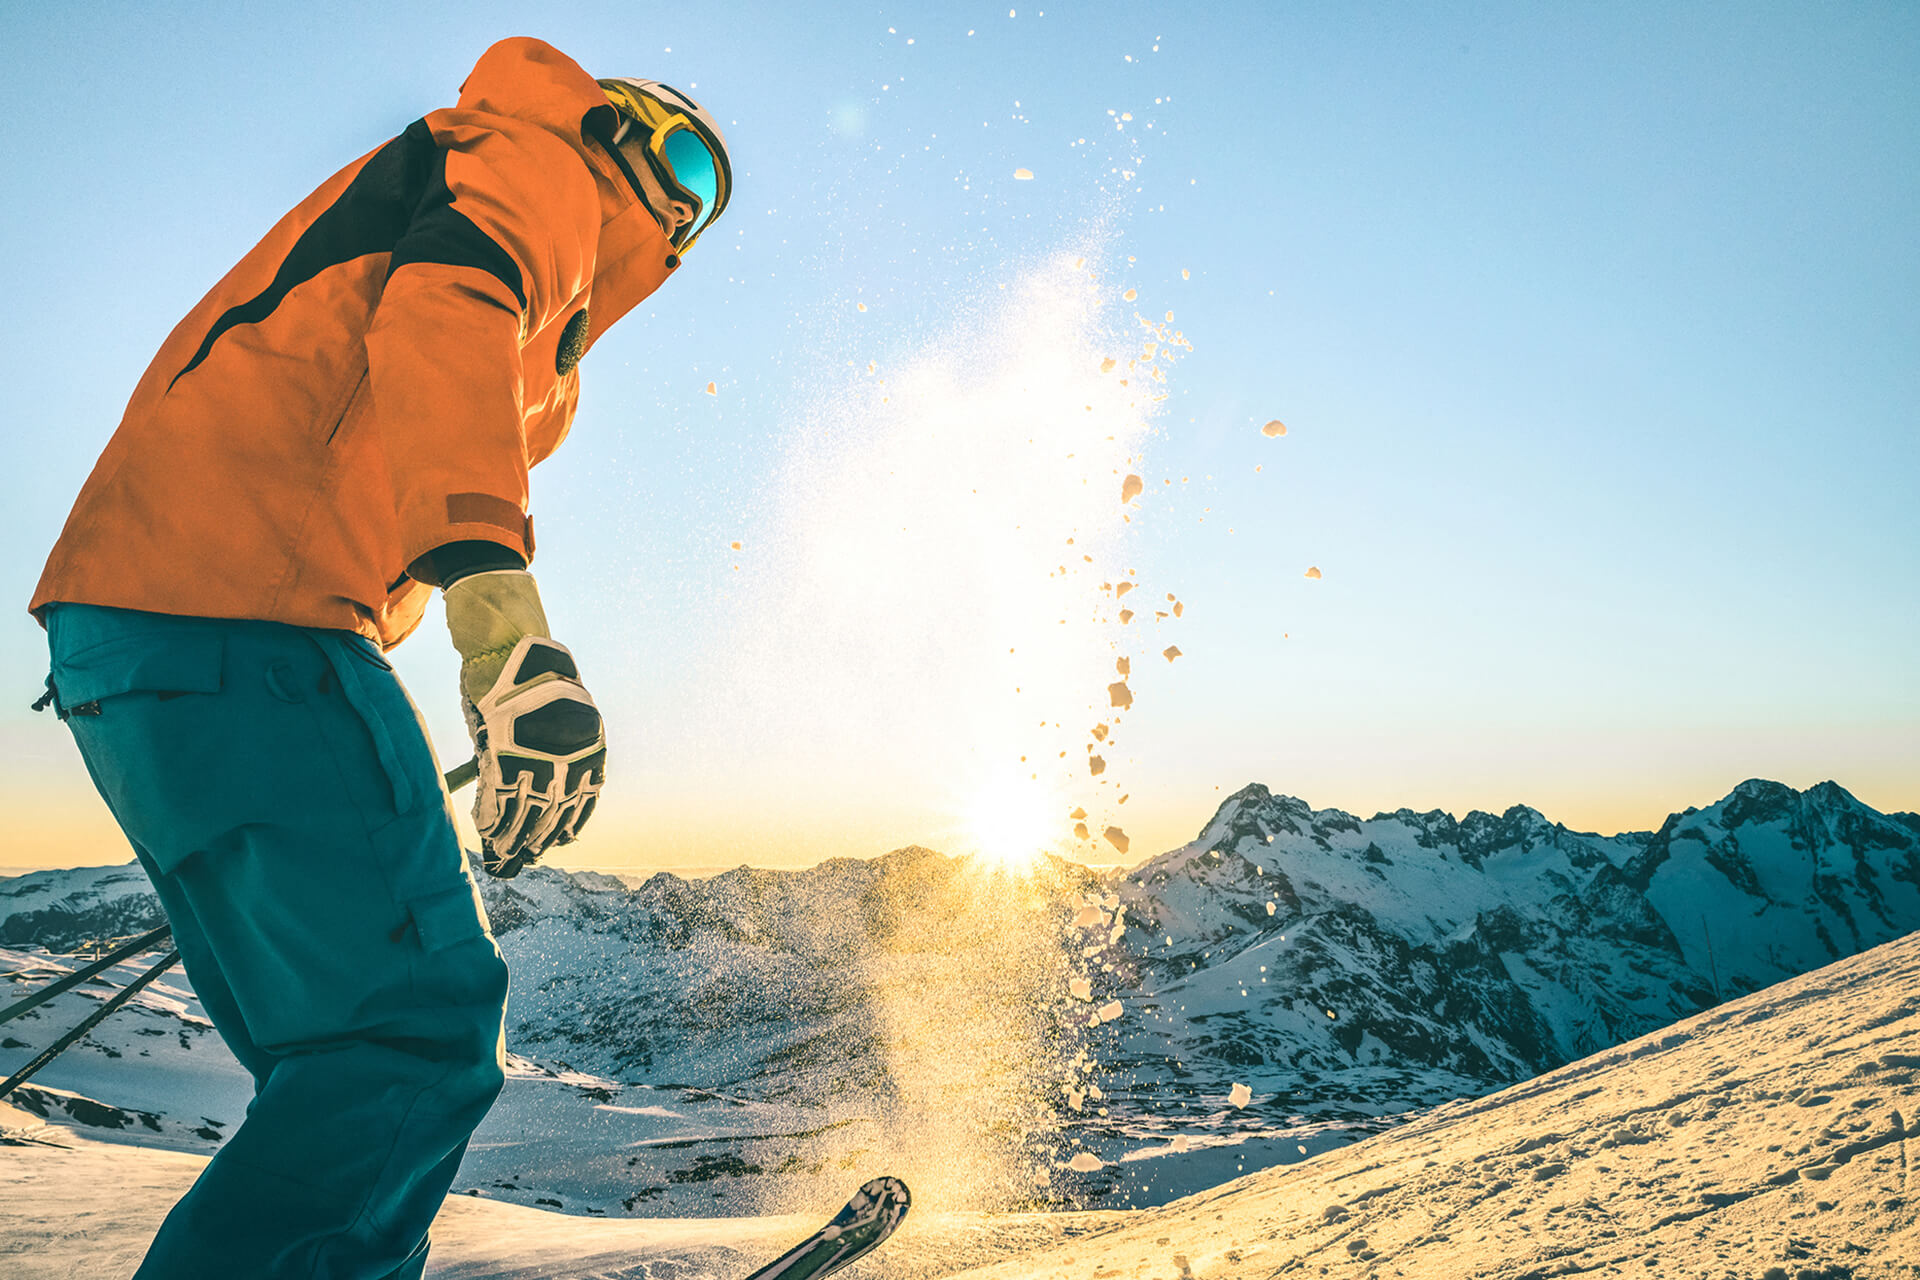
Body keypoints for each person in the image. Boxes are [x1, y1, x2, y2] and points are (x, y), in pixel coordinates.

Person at [25, 37, 731, 1279]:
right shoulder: (540, 165)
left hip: (141, 635)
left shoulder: (546, 334)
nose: (684, 201)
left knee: (336, 1050)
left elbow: (400, 418)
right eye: (678, 151)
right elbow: (444, 319)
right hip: (247, 612)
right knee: (413, 1035)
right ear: (614, 126)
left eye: (711, 195)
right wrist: (506, 637)